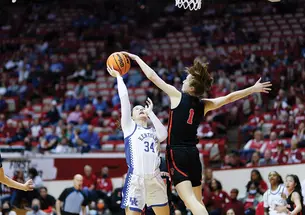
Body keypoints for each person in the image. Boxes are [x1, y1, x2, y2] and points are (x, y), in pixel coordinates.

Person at [122, 51, 272, 215]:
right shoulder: (204, 104)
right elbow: (229, 98)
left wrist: (137, 59)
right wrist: (252, 89)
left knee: (191, 201)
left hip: (177, 153)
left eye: (186, 80)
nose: (183, 81)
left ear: (191, 87)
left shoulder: (176, 96)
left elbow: (152, 76)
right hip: (194, 154)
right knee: (197, 202)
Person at [107, 67, 169, 215]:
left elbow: (163, 135)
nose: (141, 109)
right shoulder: (129, 127)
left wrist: (151, 113)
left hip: (155, 178)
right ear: (132, 116)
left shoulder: (153, 131)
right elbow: (124, 99)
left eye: (143, 108)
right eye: (137, 109)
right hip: (136, 180)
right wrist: (119, 77)